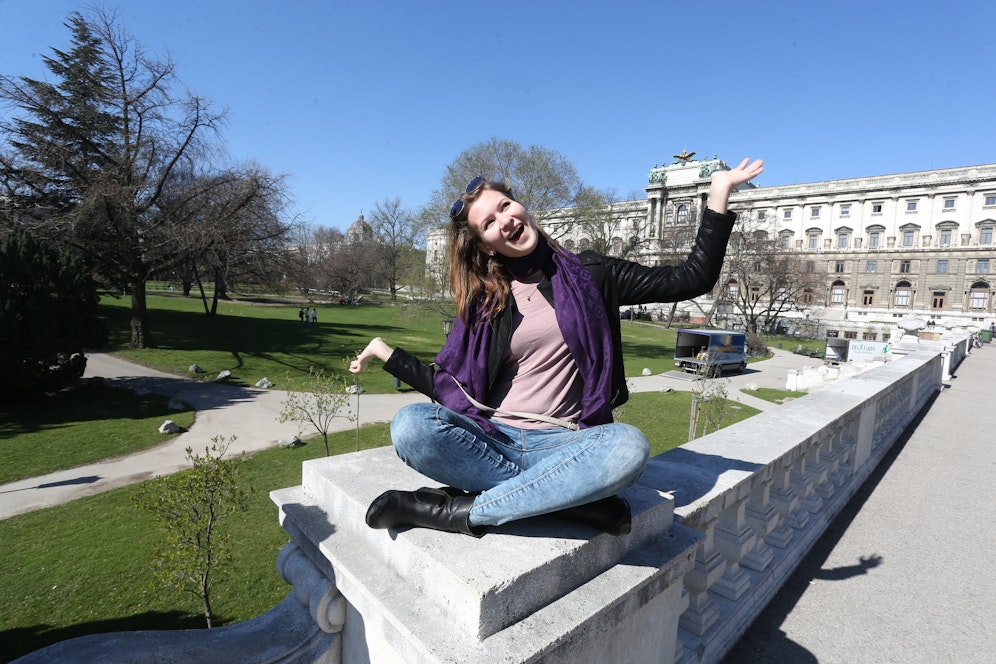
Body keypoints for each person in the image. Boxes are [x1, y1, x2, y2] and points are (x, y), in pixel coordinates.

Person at [349, 158, 764, 538]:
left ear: (521, 207)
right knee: (411, 426)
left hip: (567, 441)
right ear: (487, 245)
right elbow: (451, 388)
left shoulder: (594, 274)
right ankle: (573, 506)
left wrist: (718, 196)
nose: (505, 220)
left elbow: (692, 279)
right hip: (495, 437)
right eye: (490, 223)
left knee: (628, 447)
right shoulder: (486, 301)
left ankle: (457, 512)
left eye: (506, 206)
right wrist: (387, 353)